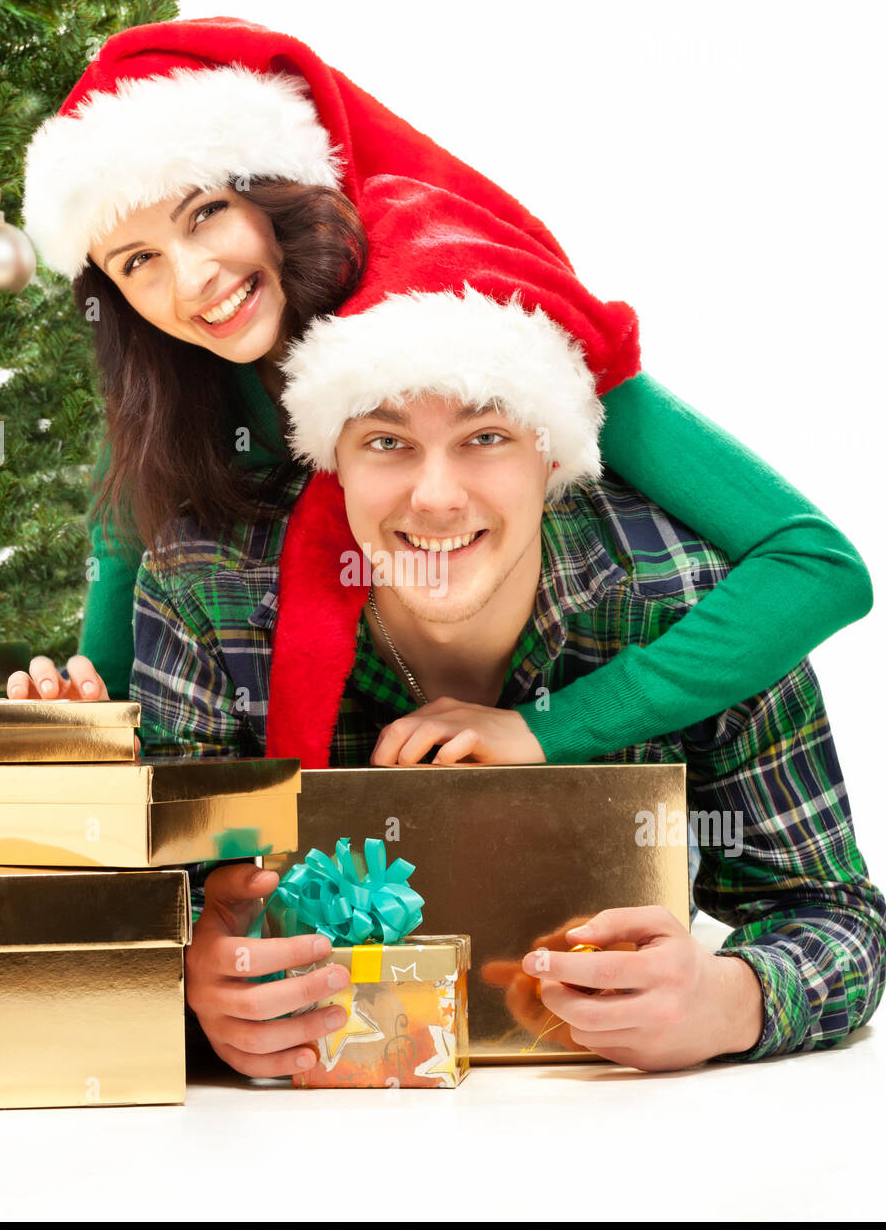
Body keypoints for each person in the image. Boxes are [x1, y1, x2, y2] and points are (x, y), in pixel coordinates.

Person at [8, 16, 872, 775]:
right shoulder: (171, 401)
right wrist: (79, 718)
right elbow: (128, 694)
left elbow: (818, 568)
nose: (193, 279)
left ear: (278, 187)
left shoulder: (479, 315)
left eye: (204, 214)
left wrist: (550, 729)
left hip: (553, 677)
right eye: (137, 261)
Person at [129, 234, 885, 1079]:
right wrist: (189, 990)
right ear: (328, 462)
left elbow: (830, 912)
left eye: (484, 437)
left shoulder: (694, 602)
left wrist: (730, 998)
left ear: (552, 457)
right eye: (385, 442)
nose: (437, 496)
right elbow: (146, 918)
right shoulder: (207, 589)